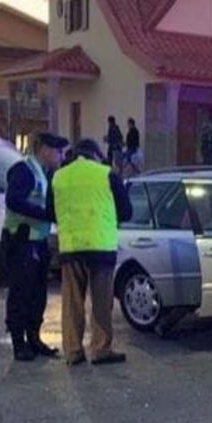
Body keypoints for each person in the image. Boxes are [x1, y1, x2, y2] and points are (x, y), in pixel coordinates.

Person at [48, 138, 132, 366]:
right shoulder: (107, 175)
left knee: (72, 302)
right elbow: (126, 212)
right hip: (101, 247)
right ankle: (101, 348)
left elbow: (50, 211)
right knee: (102, 302)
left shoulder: (59, 177)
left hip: (71, 248)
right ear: (96, 154)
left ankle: (73, 351)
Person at [3, 132, 66, 362]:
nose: (61, 156)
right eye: (58, 151)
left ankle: (34, 338)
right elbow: (13, 201)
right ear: (44, 150)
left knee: (38, 294)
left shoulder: (46, 174)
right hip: (21, 241)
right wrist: (46, 214)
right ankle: (19, 343)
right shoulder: (24, 171)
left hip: (37, 241)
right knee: (21, 293)